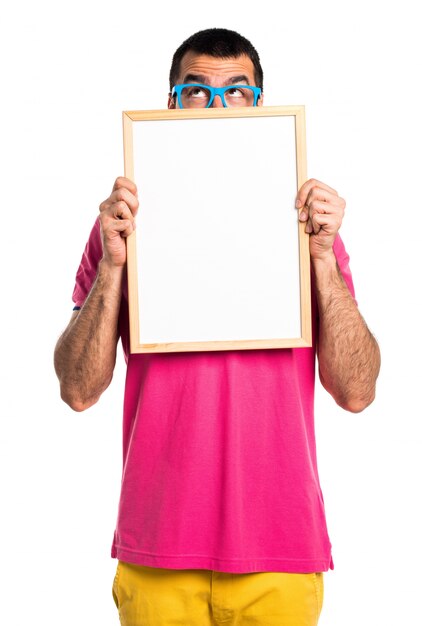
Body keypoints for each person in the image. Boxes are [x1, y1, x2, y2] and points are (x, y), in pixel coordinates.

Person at [54, 27, 380, 626]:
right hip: (159, 550)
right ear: (171, 103)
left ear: (261, 103)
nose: (217, 105)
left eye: (237, 91)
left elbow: (357, 391)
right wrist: (112, 266)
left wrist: (324, 259)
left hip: (280, 552)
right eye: (197, 90)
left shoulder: (309, 229)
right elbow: (77, 389)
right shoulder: (121, 226)